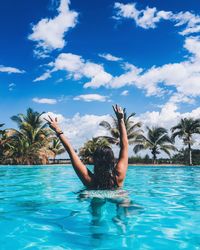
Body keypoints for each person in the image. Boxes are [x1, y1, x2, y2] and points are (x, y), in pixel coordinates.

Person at [45, 105, 128, 190]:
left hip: (94, 193)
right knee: (123, 200)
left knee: (92, 200)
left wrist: (58, 130)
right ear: (112, 160)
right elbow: (125, 146)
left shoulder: (89, 179)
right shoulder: (119, 176)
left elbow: (70, 151)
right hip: (117, 196)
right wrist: (121, 119)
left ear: (94, 160)